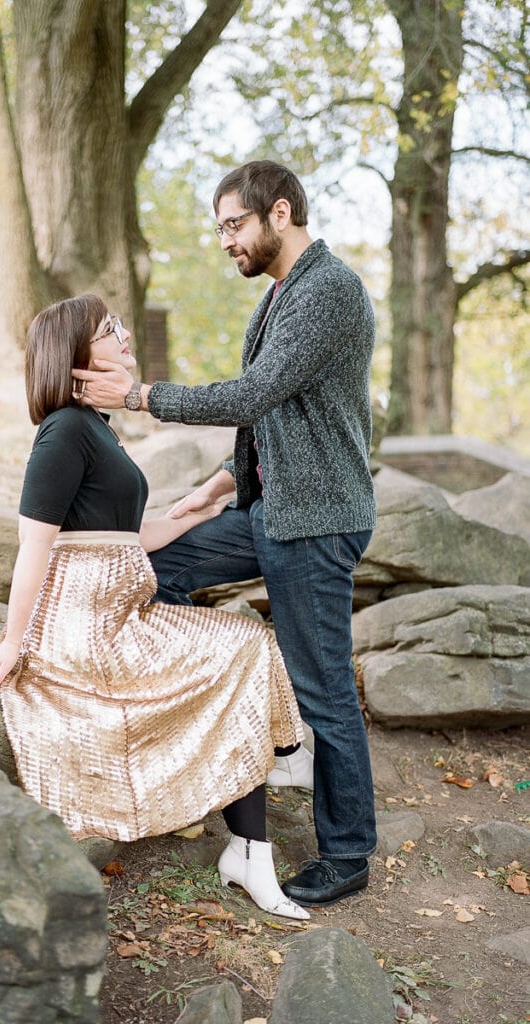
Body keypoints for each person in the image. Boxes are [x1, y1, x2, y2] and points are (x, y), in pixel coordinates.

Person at [71, 160, 377, 908]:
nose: (223, 241)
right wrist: (220, 484)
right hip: (268, 510)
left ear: (279, 213)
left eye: (231, 225)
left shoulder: (327, 289)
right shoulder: (275, 297)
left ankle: (346, 852)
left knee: (325, 689)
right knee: (156, 563)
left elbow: (253, 393)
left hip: (316, 523)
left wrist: (138, 396)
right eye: (218, 228)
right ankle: (211, 715)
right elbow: (270, 417)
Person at [0, 293, 310, 921]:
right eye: (108, 329)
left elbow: (127, 536)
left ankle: (253, 844)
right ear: (75, 355)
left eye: (119, 324)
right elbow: (35, 542)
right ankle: (269, 795)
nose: (122, 334)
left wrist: (191, 511)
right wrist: (14, 642)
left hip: (124, 608)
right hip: (85, 626)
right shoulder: (63, 430)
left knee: (245, 644)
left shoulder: (97, 428)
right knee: (242, 646)